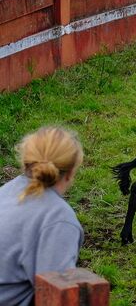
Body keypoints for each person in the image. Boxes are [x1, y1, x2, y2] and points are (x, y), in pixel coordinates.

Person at [0, 127, 85, 306]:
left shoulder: (6, 192)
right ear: (71, 172)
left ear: (26, 162)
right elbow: (56, 298)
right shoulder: (58, 219)